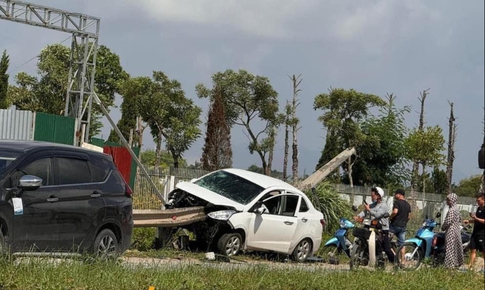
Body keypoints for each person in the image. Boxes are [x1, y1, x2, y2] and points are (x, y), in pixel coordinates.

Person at [353, 187, 394, 263]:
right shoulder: (372, 205)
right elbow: (365, 212)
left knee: (386, 248)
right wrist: (358, 216)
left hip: (382, 229)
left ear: (378, 196)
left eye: (373, 195)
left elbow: (377, 215)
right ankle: (365, 256)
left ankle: (395, 262)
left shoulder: (383, 206)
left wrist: (369, 210)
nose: (371, 197)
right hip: (372, 227)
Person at [442, 193, 464, 269]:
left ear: (452, 200)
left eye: (448, 200)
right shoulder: (457, 208)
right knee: (456, 247)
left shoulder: (451, 210)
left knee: (450, 248)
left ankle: (449, 265)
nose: (447, 201)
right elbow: (460, 219)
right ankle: (457, 262)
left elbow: (448, 221)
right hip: (456, 230)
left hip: (451, 230)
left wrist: (443, 227)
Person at [463, 192, 485, 271]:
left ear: (483, 200)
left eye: (479, 200)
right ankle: (470, 266)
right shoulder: (479, 208)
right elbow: (477, 220)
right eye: (477, 200)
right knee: (473, 249)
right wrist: (469, 221)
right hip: (475, 232)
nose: (477, 202)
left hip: (482, 233)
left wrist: (475, 218)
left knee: (483, 251)